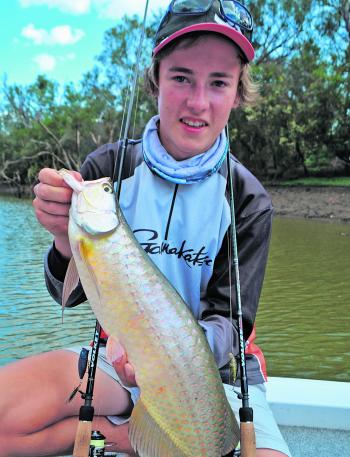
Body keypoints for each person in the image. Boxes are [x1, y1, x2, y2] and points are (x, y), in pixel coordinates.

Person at [0, 1, 292, 456]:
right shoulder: (106, 170)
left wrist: (162, 362)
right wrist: (63, 238)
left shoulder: (248, 199)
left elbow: (231, 323)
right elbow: (67, 295)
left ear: (237, 93)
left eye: (219, 83)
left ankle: (125, 438)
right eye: (181, 77)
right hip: (115, 361)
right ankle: (126, 436)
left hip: (217, 376)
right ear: (155, 77)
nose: (198, 101)